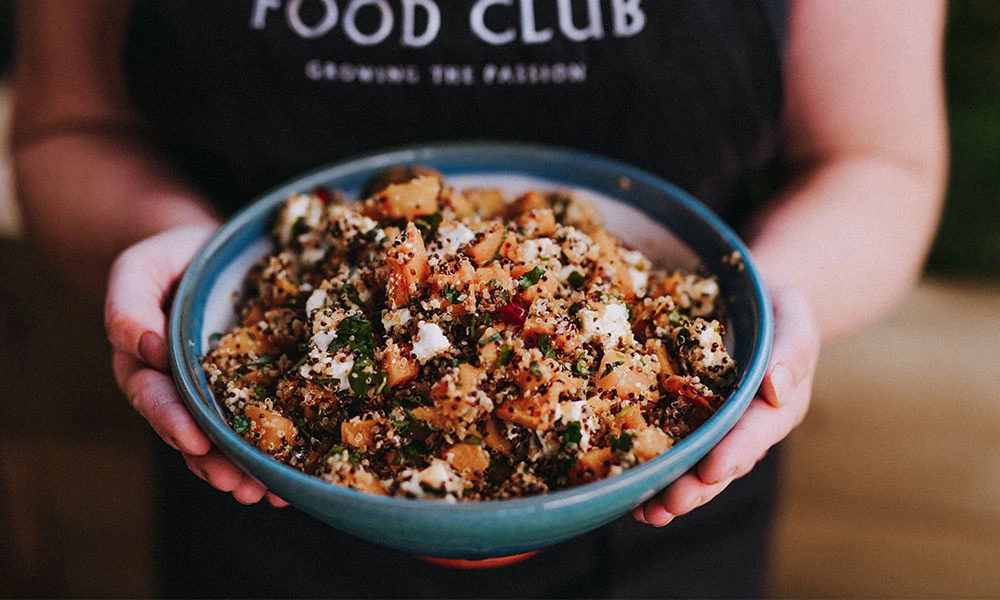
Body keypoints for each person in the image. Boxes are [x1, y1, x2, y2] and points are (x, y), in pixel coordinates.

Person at [12, 1, 947, 597]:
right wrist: (177, 253)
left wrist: (776, 303)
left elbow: (881, 158)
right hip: (258, 516)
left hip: (678, 524)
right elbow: (68, 127)